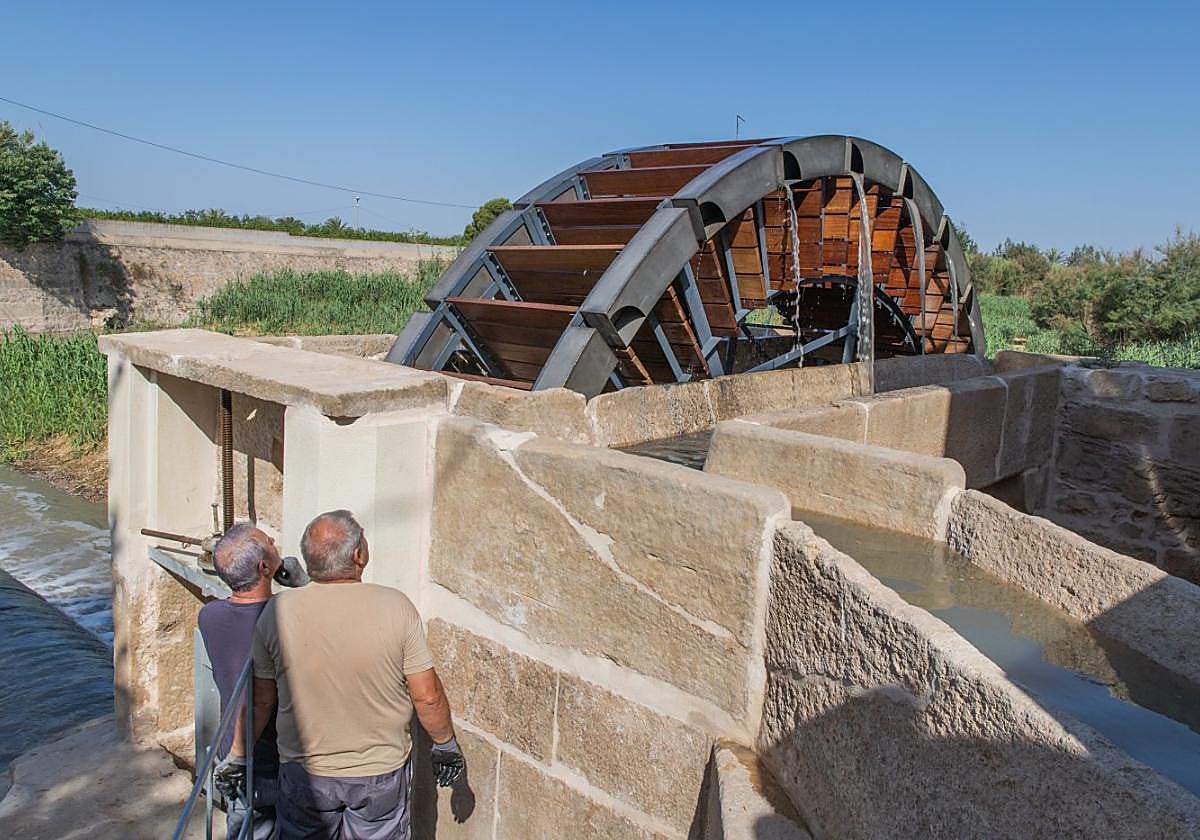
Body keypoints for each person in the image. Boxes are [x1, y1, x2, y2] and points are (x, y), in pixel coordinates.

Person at [233, 509, 464, 840]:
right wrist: (446, 744)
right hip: (378, 774)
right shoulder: (397, 606)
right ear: (358, 554)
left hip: (305, 773)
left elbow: (261, 699)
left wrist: (238, 756)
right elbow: (426, 695)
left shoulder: (277, 611)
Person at [200, 523, 283, 840]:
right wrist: (299, 582)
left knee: (246, 829)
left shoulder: (209, 616)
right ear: (264, 567)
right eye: (268, 542)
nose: (274, 540)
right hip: (276, 754)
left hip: (233, 752)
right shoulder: (284, 620)